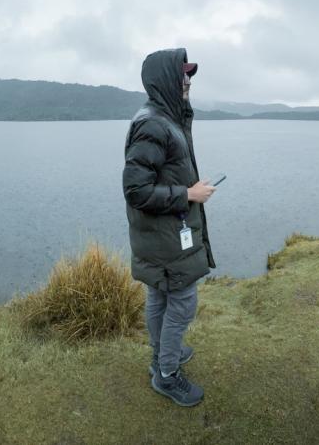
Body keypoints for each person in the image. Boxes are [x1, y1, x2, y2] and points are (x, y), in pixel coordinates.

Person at [122, 48, 216, 407]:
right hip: (165, 238)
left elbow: (158, 175)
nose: (188, 81)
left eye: (190, 75)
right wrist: (188, 193)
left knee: (160, 296)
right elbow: (136, 190)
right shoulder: (153, 124)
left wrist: (188, 189)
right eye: (183, 76)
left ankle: (161, 356)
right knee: (181, 303)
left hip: (161, 236)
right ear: (165, 80)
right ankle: (167, 374)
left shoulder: (165, 117)